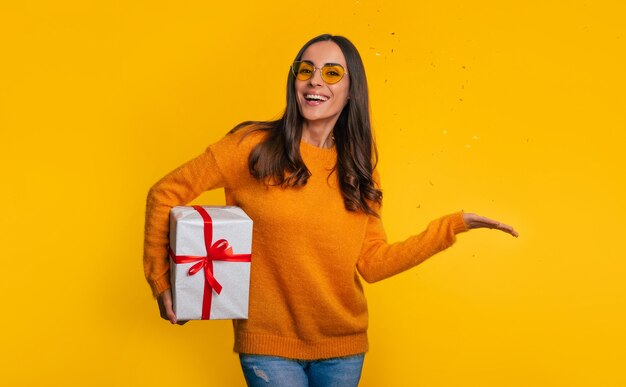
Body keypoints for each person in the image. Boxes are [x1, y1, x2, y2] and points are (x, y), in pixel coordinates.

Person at [143, 34, 518, 387]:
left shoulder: (358, 165)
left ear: (352, 88)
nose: (314, 81)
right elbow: (164, 193)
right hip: (268, 345)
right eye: (305, 70)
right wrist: (162, 282)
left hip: (344, 349)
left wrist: (453, 226)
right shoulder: (252, 147)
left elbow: (372, 263)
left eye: (331, 73)